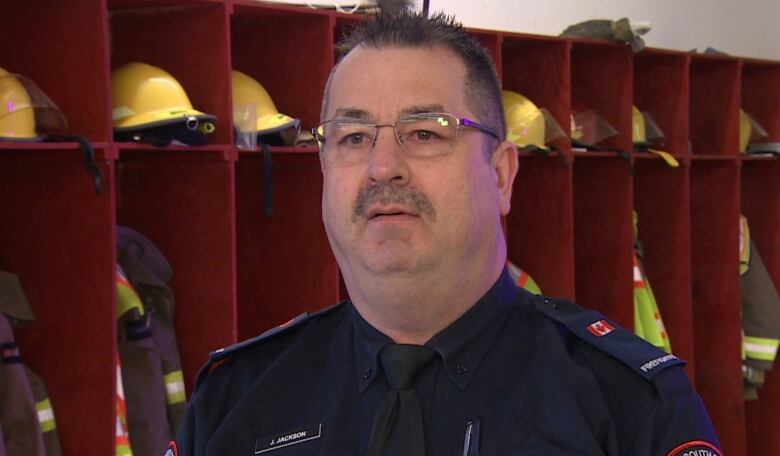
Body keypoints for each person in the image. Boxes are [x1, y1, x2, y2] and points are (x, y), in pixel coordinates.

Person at [170, 11, 721, 456]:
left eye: (425, 133)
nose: (383, 166)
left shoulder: (630, 406)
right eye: (353, 136)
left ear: (501, 174)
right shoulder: (234, 402)